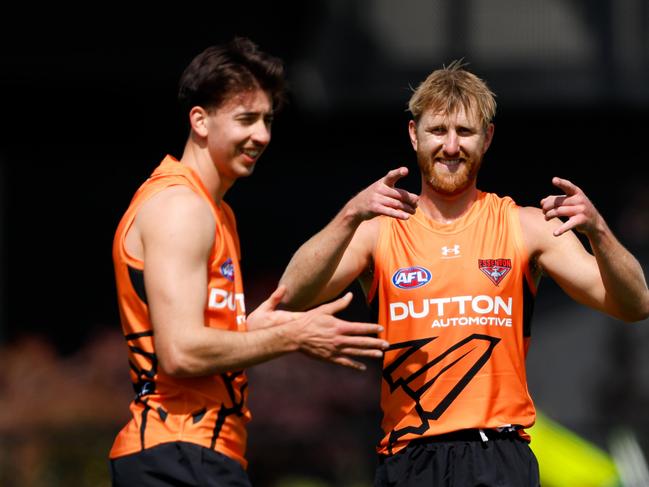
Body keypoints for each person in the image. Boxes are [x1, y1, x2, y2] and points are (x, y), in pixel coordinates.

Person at [279, 60, 649, 486]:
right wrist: (348, 215)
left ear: (486, 139)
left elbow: (635, 304)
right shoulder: (377, 230)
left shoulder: (524, 226)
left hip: (498, 456)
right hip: (408, 458)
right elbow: (291, 295)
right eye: (438, 130)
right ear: (414, 134)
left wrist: (598, 230)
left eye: (465, 132)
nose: (451, 146)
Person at [108, 37, 389, 487]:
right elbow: (179, 352)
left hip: (197, 455)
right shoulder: (181, 206)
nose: (262, 135)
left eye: (267, 120)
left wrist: (266, 326)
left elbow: (204, 337)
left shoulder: (215, 210)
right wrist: (293, 335)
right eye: (246, 119)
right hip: (177, 455)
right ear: (199, 120)